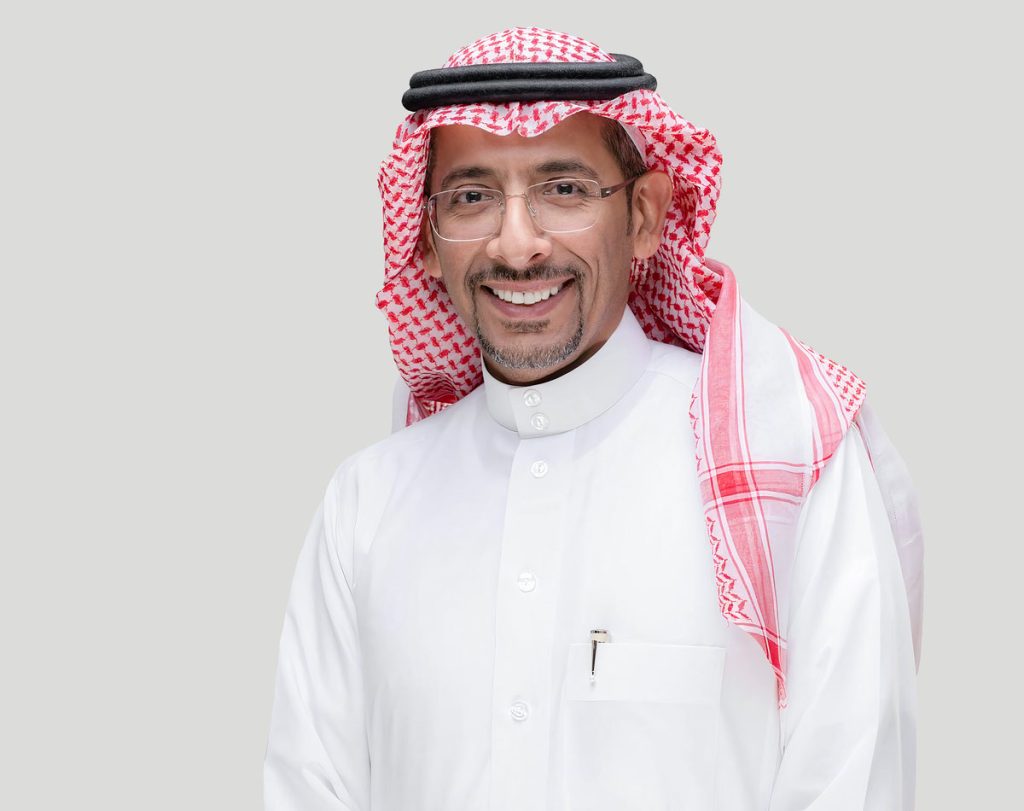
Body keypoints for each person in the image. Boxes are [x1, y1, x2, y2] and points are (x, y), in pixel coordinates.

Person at [264, 27, 923, 811]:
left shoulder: (790, 455)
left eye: (564, 189)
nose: (517, 245)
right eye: (472, 197)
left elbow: (852, 782)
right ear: (428, 239)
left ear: (644, 215)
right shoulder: (367, 503)